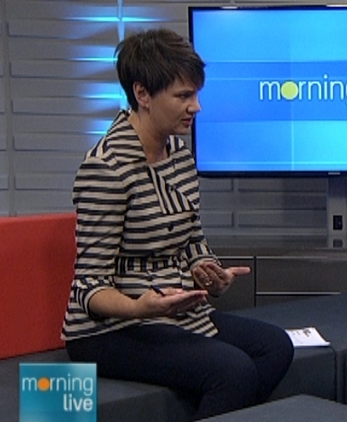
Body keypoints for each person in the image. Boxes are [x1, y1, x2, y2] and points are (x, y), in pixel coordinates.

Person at [61, 28, 294, 420]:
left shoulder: (180, 156)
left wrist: (207, 271)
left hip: (174, 314)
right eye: (184, 96)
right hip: (111, 330)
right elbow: (89, 286)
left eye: (196, 94)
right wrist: (140, 308)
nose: (197, 107)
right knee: (232, 371)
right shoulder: (106, 167)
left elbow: (190, 241)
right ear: (143, 95)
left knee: (276, 347)